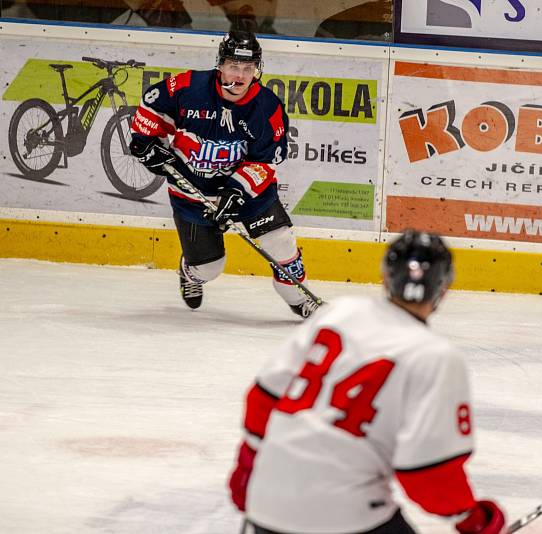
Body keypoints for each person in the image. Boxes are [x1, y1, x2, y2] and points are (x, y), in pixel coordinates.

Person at [227, 229, 505, 534]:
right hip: (347, 515)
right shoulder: (436, 356)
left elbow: (264, 398)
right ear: (444, 288)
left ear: (385, 277)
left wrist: (247, 469)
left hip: (266, 502)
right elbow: (428, 474)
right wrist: (472, 519)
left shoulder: (339, 313)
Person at [129, 30, 318, 318]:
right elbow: (153, 104)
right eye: (233, 66)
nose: (240, 76)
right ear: (220, 65)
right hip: (193, 191)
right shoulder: (188, 88)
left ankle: (299, 297)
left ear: (257, 69)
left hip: (249, 194)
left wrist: (236, 192)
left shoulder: (267, 107)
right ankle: (190, 274)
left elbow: (266, 161)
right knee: (210, 268)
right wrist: (145, 142)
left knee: (280, 240)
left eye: (248, 68)